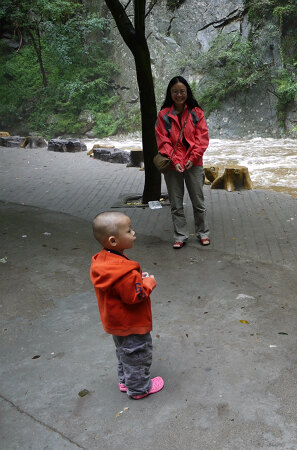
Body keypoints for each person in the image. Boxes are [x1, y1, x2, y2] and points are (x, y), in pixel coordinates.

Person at [90, 211, 164, 400]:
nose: (134, 233)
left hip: (116, 322)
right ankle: (139, 388)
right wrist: (148, 283)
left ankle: (125, 381)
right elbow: (135, 296)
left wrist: (137, 279)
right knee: (138, 354)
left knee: (124, 352)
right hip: (131, 323)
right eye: (129, 231)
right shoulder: (124, 272)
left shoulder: (104, 262)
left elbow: (122, 288)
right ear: (113, 241)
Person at [155, 76, 210, 249]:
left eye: (182, 91)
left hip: (194, 164)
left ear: (187, 92)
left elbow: (202, 139)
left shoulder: (196, 113)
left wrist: (192, 159)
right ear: (170, 94)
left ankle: (203, 233)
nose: (179, 95)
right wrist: (175, 160)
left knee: (198, 202)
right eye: (175, 92)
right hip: (173, 165)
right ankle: (180, 235)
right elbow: (163, 141)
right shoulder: (164, 115)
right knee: (176, 203)